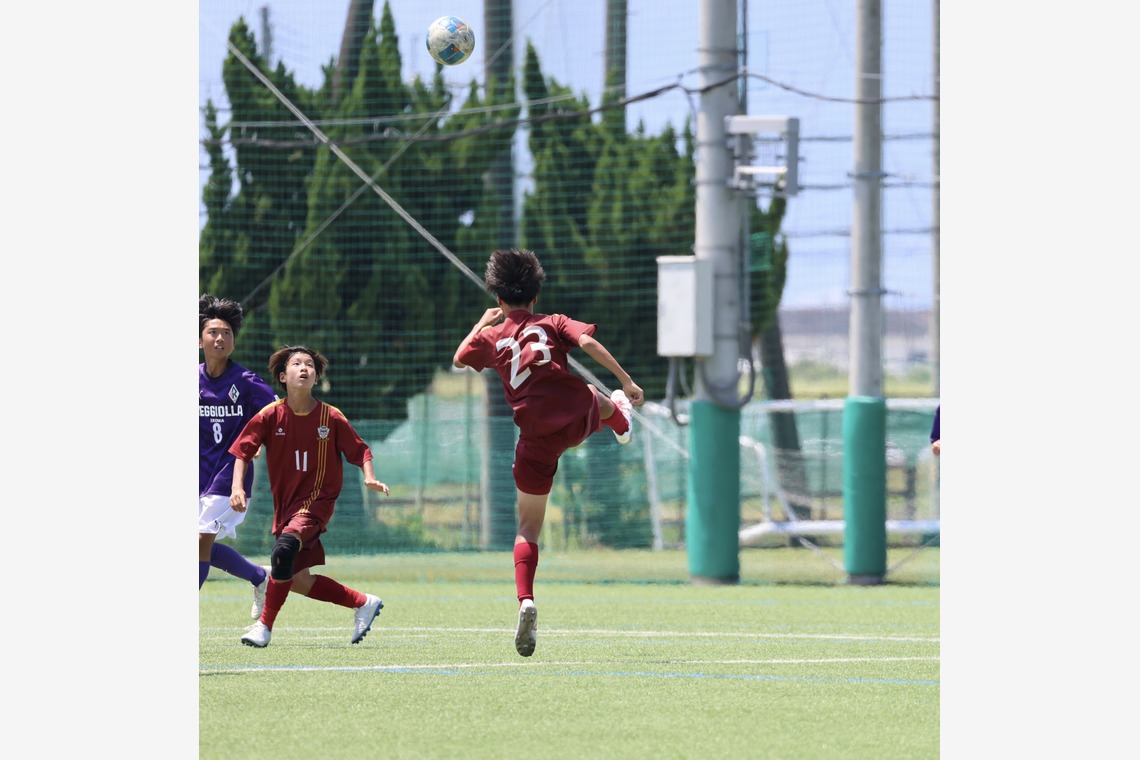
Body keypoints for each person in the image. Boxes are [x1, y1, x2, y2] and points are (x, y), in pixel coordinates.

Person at [452, 248, 645, 657]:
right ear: (536, 296)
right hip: (575, 417)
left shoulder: (492, 335)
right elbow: (588, 340)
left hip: (535, 439)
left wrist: (482, 323)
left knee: (527, 528)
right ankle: (621, 420)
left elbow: (459, 358)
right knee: (597, 395)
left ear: (499, 300)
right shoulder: (552, 322)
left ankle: (526, 600)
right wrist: (626, 380)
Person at [230, 345, 390, 648]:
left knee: (283, 551)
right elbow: (242, 451)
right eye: (296, 364)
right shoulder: (269, 416)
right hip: (286, 507)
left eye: (309, 365)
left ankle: (264, 626)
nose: (304, 368)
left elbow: (360, 450)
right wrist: (238, 487)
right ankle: (362, 603)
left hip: (317, 502)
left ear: (316, 378)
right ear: (283, 376)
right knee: (298, 579)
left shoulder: (331, 416)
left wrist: (369, 476)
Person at [199, 294, 277, 619]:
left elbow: (276, 414)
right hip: (197, 475)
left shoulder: (245, 382)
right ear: (199, 337)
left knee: (200, 539)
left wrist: (261, 440)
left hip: (229, 477)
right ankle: (260, 577)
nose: (220, 338)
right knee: (200, 545)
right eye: (213, 331)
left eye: (227, 333)